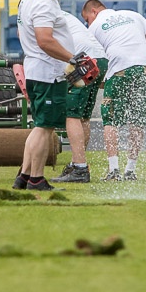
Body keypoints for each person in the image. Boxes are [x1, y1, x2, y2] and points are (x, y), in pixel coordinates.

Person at [81, 0, 146, 182]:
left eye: (87, 19)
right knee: (137, 120)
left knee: (111, 120)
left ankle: (114, 171)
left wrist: (102, 82)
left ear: (93, 12)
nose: (88, 24)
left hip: (119, 68)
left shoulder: (93, 28)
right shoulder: (134, 14)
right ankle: (130, 171)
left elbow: (92, 63)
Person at [14, 0, 76, 191]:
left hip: (38, 68)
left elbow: (25, 36)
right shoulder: (41, 3)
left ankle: (24, 175)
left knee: (40, 125)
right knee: (45, 127)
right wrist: (72, 58)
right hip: (47, 72)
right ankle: (36, 179)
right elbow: (44, 39)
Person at [49, 11, 109, 183]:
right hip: (100, 59)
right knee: (83, 117)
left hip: (83, 60)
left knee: (71, 115)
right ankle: (77, 163)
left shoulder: (42, 14)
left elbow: (47, 45)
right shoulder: (61, 14)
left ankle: (80, 168)